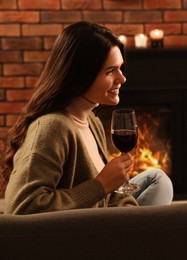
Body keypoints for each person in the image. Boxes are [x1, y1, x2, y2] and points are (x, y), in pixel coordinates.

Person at [0, 21, 173, 215]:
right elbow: (20, 207)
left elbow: (110, 195)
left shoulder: (92, 121)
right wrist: (100, 185)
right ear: (80, 75)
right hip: (77, 238)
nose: (122, 79)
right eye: (110, 71)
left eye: (120, 68)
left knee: (158, 179)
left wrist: (129, 217)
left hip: (99, 221)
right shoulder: (51, 127)